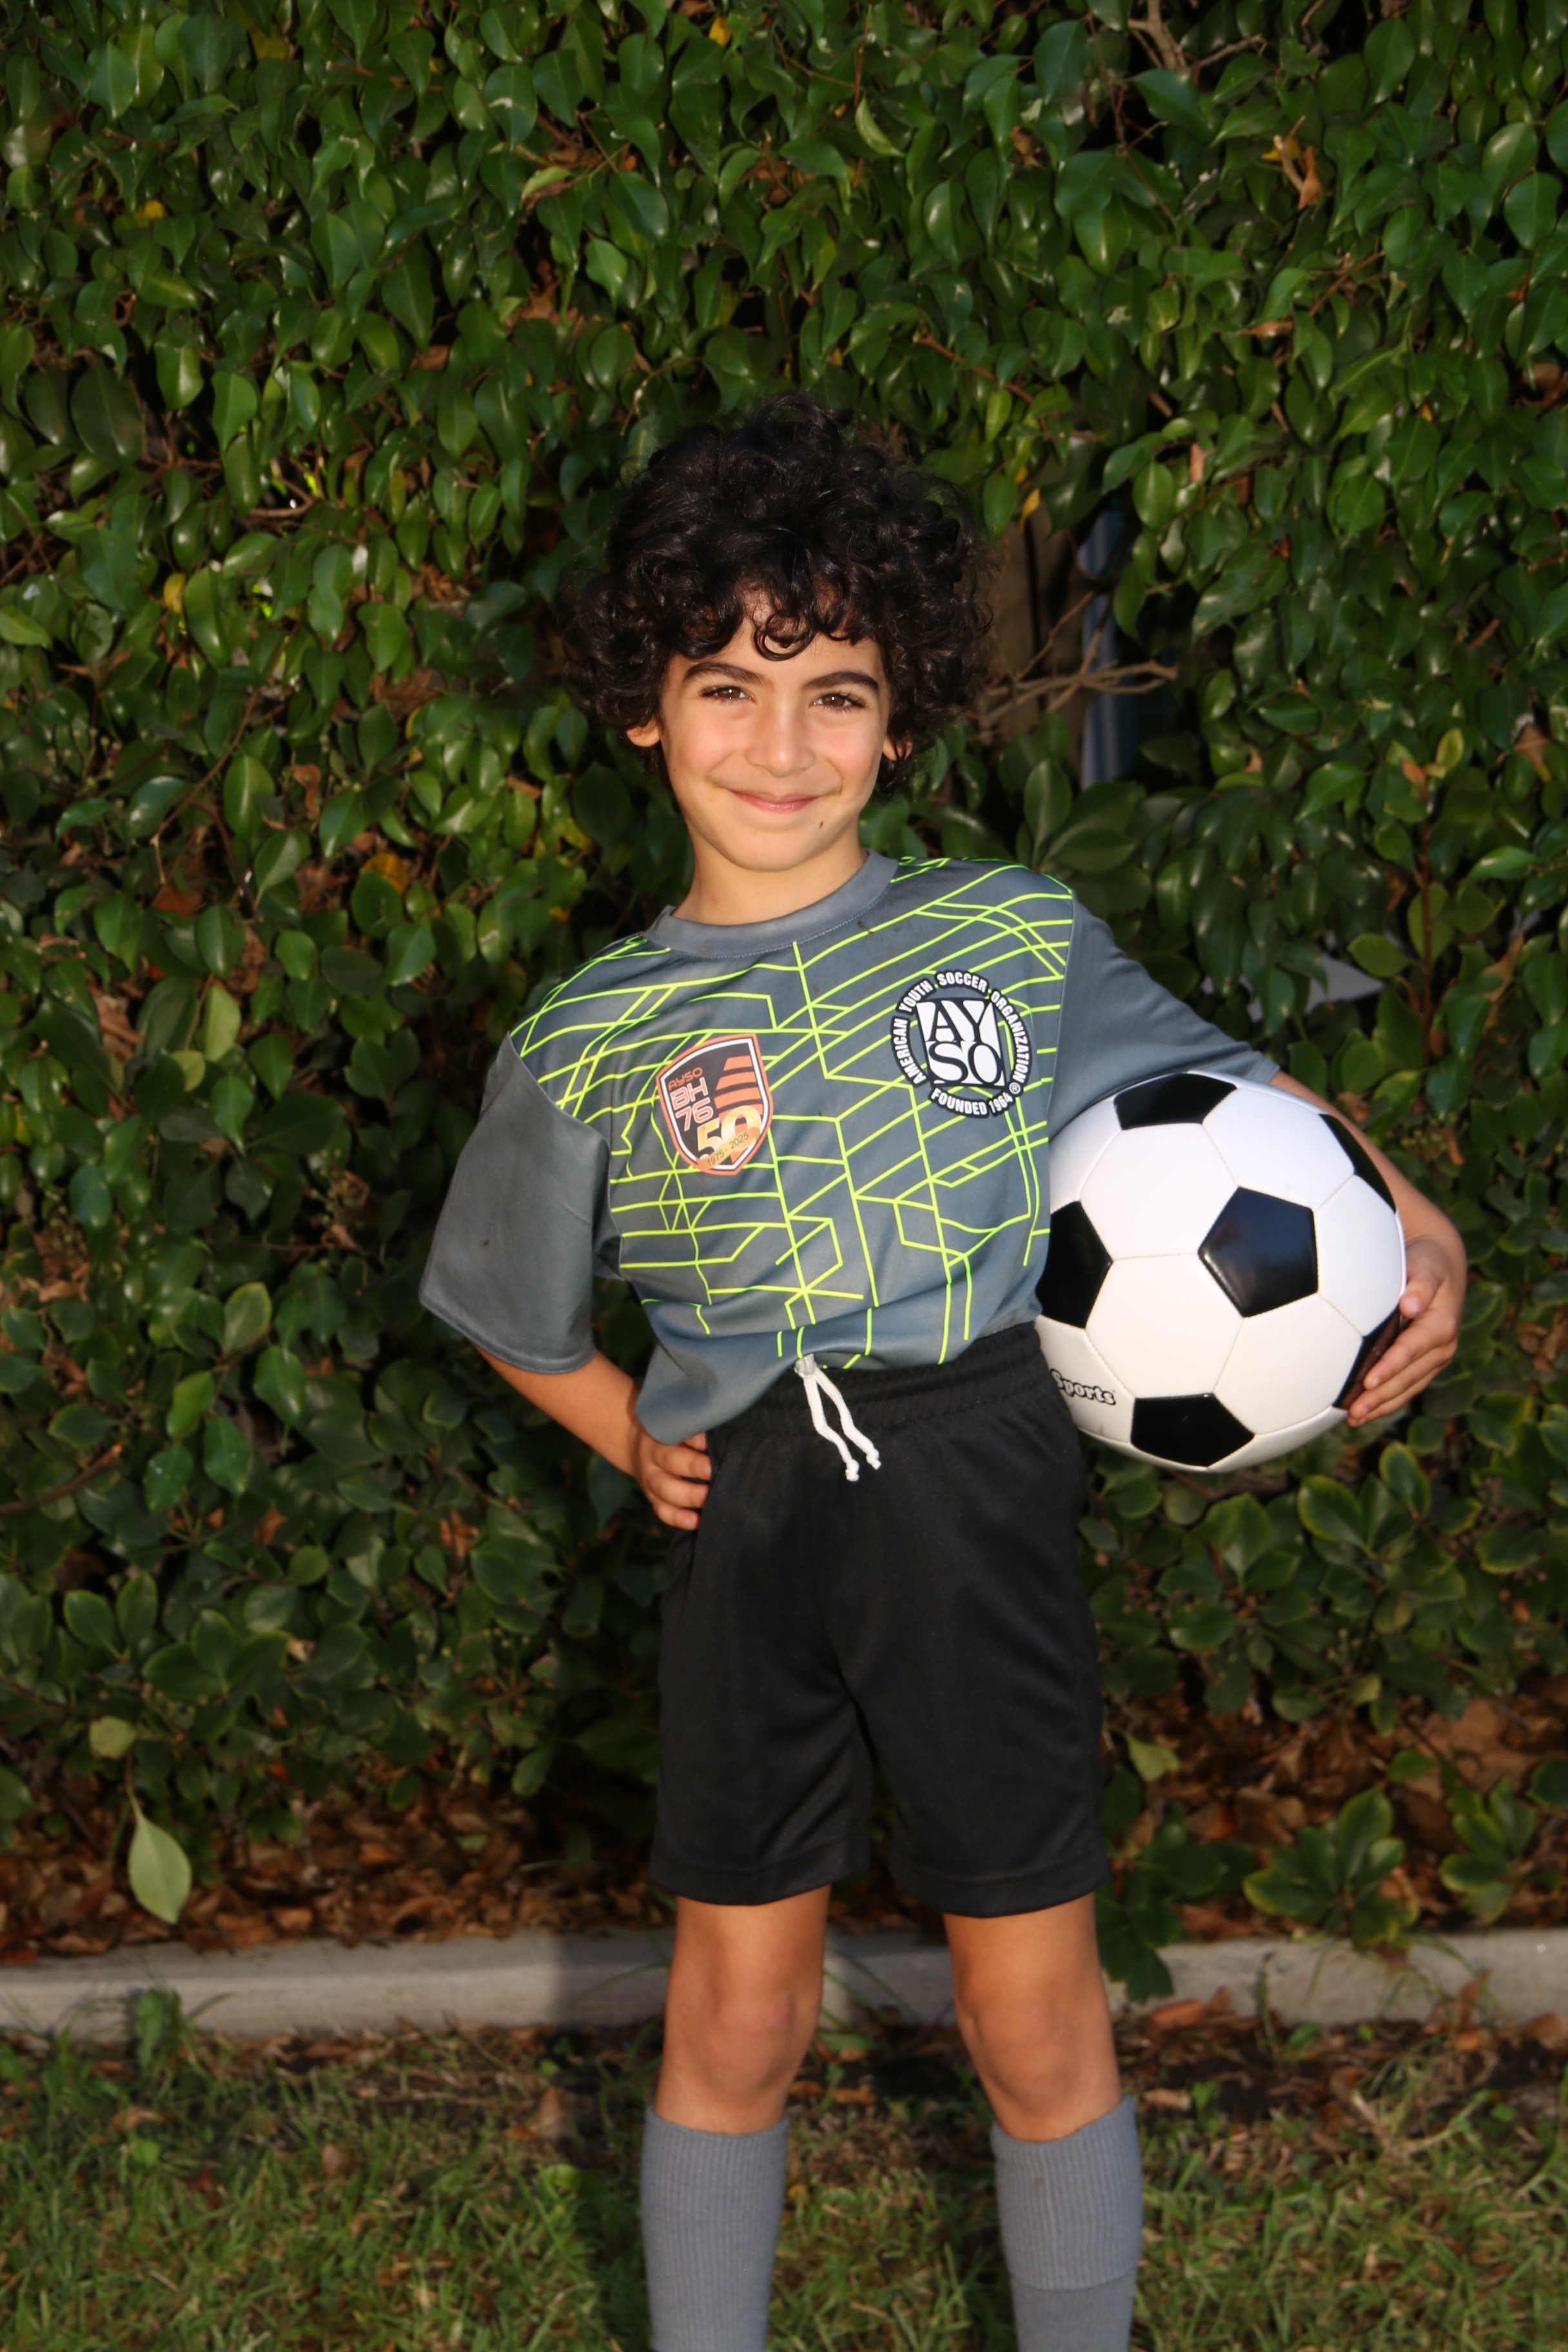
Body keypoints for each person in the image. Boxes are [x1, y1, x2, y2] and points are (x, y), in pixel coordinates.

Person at [419, 398, 1465, 2351]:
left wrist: (1424, 1223)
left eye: (836, 693)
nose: (782, 746)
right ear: (644, 709)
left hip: (972, 1476)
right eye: (728, 688)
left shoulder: (1008, 935)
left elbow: (1244, 1093)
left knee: (1031, 2010)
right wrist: (627, 1432)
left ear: (899, 721)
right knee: (736, 2012)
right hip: (748, 1516)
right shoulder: (586, 1039)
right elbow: (504, 1307)